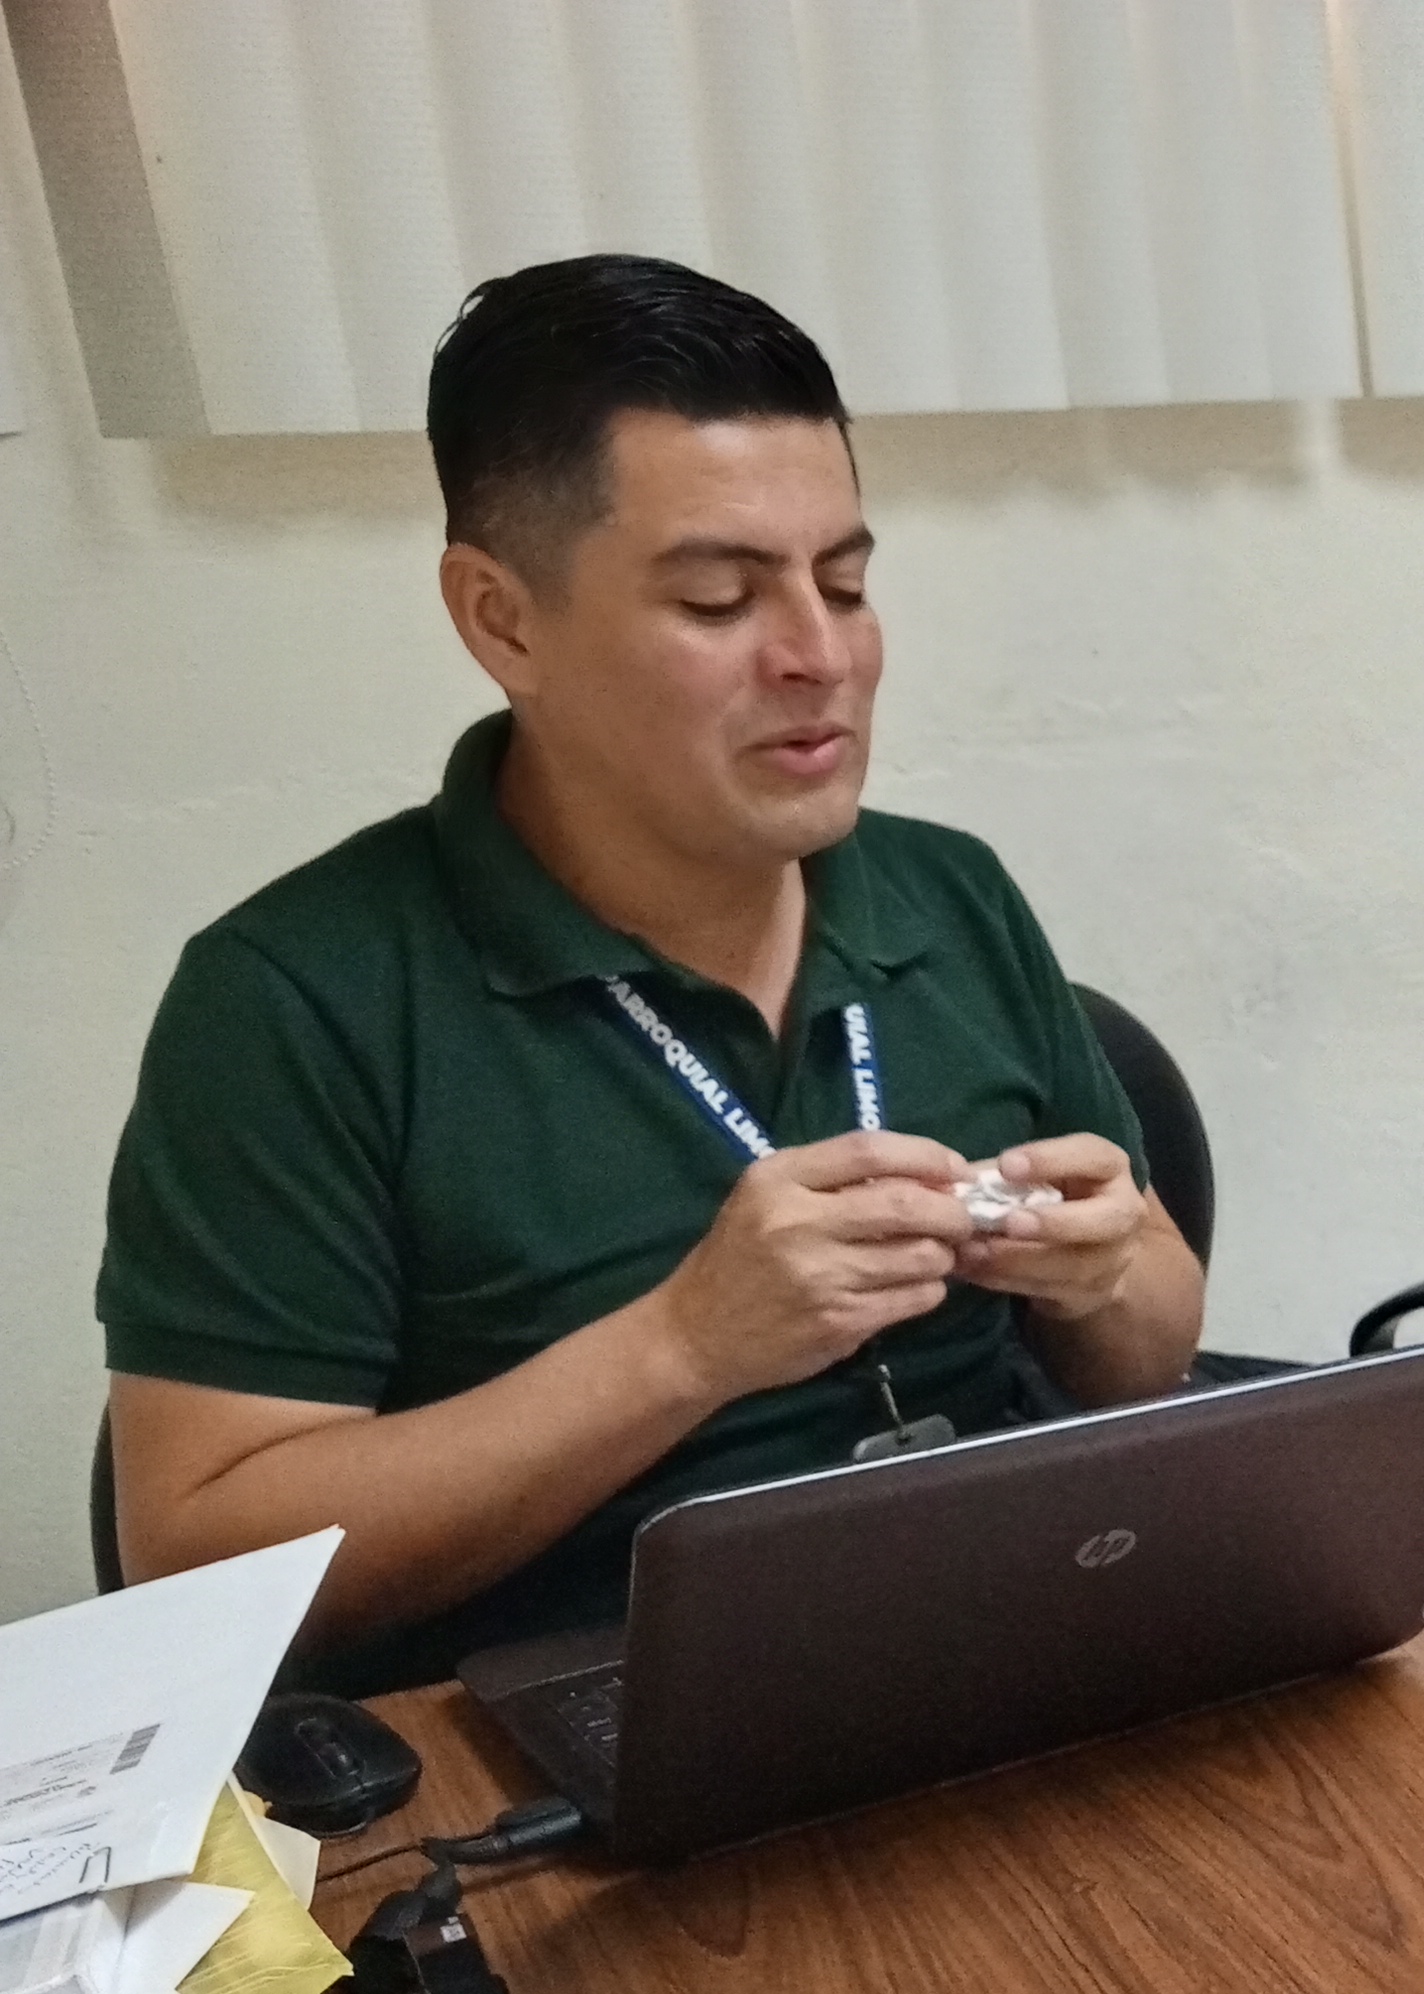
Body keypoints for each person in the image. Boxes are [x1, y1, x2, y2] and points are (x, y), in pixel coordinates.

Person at [95, 255, 1203, 1695]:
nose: (820, 657)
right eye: (719, 600)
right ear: (503, 620)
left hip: (1002, 1644)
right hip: (582, 1711)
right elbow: (199, 1571)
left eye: (846, 582)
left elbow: (1155, 1347)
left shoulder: (948, 892)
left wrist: (1099, 1276)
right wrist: (685, 1346)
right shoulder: (298, 999)